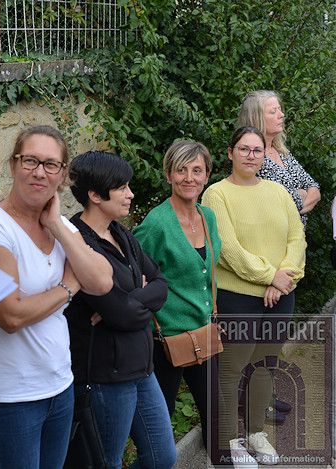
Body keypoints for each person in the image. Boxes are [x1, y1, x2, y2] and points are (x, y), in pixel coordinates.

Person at [0, 126, 114, 469]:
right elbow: (10, 316)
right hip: (11, 397)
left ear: (62, 175)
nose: (39, 172)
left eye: (51, 164)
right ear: (14, 164)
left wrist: (58, 227)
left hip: (59, 386)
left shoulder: (60, 226)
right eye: (30, 160)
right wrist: (68, 287)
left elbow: (103, 281)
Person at [201, 126, 305, 468]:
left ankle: (256, 432)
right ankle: (230, 440)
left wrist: (283, 278)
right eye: (243, 149)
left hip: (281, 294)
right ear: (230, 153)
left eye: (257, 150)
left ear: (266, 154)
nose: (250, 155)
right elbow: (228, 248)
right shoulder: (216, 194)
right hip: (237, 296)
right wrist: (267, 276)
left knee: (266, 366)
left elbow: (297, 240)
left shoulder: (279, 192)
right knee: (232, 370)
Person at [65, 150, 176, 469]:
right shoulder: (78, 243)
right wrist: (136, 299)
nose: (131, 194)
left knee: (162, 458)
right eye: (122, 187)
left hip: (142, 368)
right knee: (107, 462)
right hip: (106, 375)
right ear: (96, 195)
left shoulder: (120, 232)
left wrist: (133, 296)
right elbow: (121, 314)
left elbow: (160, 283)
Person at [133, 141, 220, 451]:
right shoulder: (156, 225)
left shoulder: (208, 217)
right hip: (165, 339)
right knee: (160, 421)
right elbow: (134, 277)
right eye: (181, 170)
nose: (189, 178)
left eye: (197, 170)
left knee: (215, 412)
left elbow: (206, 273)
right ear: (168, 174)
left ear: (207, 175)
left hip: (203, 330)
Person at [237, 90, 321, 228]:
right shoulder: (250, 157)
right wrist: (301, 194)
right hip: (269, 241)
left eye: (280, 110)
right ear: (256, 118)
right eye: (273, 111)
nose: (281, 115)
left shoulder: (282, 152)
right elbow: (273, 207)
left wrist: (298, 201)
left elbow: (314, 189)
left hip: (296, 243)